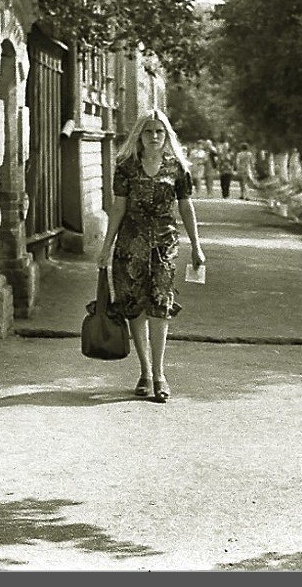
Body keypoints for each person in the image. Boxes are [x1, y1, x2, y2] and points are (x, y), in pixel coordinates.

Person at [97, 109, 206, 403]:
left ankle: (159, 374)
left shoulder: (177, 168)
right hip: (130, 245)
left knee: (160, 305)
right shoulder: (126, 167)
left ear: (166, 135)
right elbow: (118, 208)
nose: (154, 136)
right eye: (149, 131)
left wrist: (196, 246)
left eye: (159, 131)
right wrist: (106, 247)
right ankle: (145, 371)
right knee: (135, 307)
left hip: (164, 245)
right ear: (139, 135)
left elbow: (186, 208)